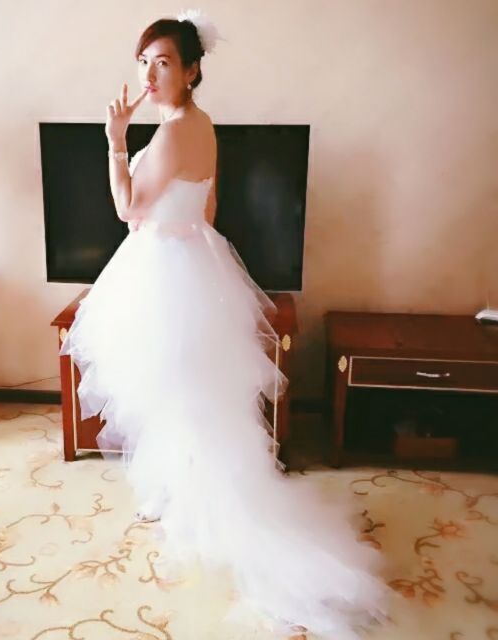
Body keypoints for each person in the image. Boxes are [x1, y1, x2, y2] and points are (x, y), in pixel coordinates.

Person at [60, 9, 398, 639]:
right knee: (189, 391)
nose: (150, 74)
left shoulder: (169, 135)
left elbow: (127, 209)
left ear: (191, 71)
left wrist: (114, 139)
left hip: (162, 267)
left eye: (164, 62)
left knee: (171, 388)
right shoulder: (202, 124)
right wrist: (193, 243)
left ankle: (193, 502)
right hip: (193, 257)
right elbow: (209, 204)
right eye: (144, 61)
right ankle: (177, 491)